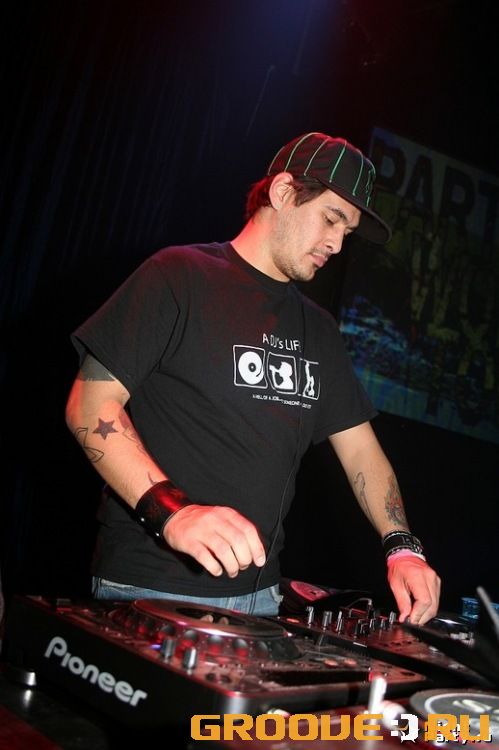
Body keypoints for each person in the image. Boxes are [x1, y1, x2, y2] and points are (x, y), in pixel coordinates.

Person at [66, 132, 440, 623]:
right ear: (283, 192)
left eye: (347, 232)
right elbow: (89, 406)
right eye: (331, 219)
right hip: (150, 584)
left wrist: (402, 547)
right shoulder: (178, 275)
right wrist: (173, 512)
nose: (336, 244)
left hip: (260, 599)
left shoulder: (319, 330)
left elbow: (361, 453)